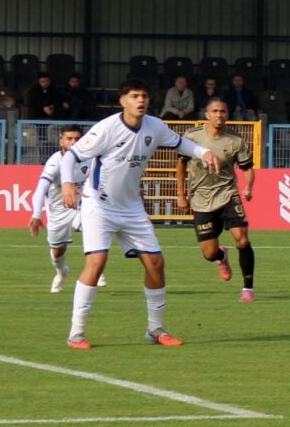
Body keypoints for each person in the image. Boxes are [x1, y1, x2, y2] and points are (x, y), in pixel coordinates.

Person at [59, 79, 221, 350]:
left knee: (156, 264)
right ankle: (76, 334)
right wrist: (66, 183)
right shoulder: (106, 128)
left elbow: (181, 144)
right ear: (122, 101)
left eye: (144, 95)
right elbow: (70, 157)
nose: (141, 100)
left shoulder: (155, 126)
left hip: (132, 207)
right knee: (97, 262)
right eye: (134, 96)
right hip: (99, 205)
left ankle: (155, 329)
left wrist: (204, 153)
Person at [175, 98, 257, 302]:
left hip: (228, 194)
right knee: (209, 254)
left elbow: (247, 168)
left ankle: (248, 288)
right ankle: (222, 256)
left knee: (242, 239)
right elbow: (181, 165)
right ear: (207, 114)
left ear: (227, 114)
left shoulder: (235, 140)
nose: (219, 115)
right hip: (201, 198)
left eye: (223, 111)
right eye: (215, 111)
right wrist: (181, 194)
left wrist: (248, 187)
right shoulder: (192, 137)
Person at [28, 124, 106, 292]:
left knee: (90, 228)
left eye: (77, 139)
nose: (73, 142)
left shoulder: (90, 158)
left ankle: (96, 270)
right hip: (59, 211)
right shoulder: (55, 162)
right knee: (57, 251)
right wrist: (36, 214)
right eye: (69, 138)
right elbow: (40, 189)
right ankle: (61, 272)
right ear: (61, 141)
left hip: (82, 205)